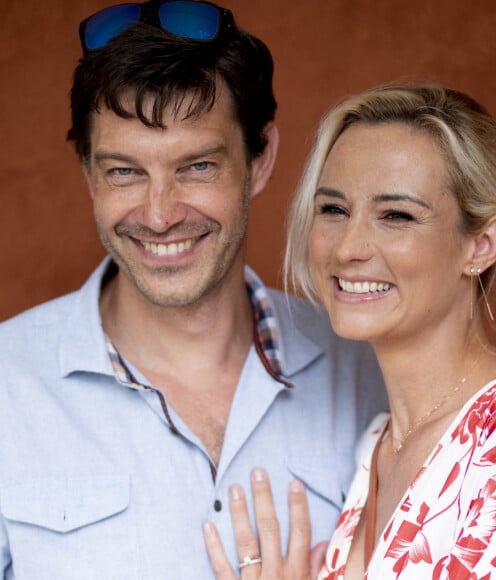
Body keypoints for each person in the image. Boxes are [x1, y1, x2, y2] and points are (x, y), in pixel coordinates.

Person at [0, 2, 387, 578]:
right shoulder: (8, 383)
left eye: (197, 167)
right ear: (87, 173)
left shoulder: (368, 372)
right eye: (124, 172)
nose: (159, 215)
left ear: (261, 159)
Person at [204, 85, 496, 578]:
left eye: (396, 216)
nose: (347, 249)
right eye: (333, 210)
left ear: (482, 245)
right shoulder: (376, 446)